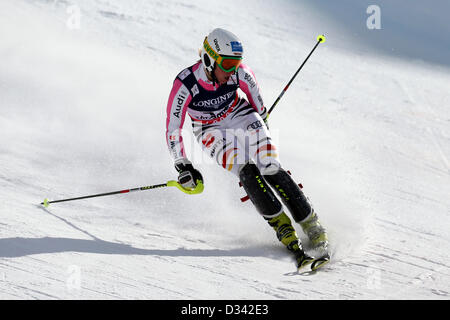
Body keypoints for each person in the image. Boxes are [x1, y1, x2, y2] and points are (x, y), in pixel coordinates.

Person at [165, 28, 329, 270]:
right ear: (210, 59)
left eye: (236, 63)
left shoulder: (241, 73)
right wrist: (183, 165)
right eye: (227, 63)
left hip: (239, 114)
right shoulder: (186, 83)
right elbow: (172, 128)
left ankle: (311, 224)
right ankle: (282, 228)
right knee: (247, 171)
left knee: (270, 165)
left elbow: (259, 107)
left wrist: (261, 129)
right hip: (208, 129)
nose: (232, 70)